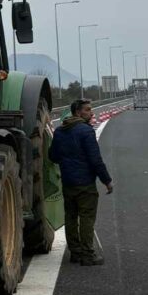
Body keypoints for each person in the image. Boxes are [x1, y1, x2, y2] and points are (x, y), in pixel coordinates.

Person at [50, 98, 113, 265]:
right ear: (78, 112)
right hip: (85, 183)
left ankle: (75, 253)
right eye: (87, 110)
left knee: (70, 217)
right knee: (86, 218)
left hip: (68, 182)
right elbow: (95, 160)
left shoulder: (59, 131)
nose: (91, 112)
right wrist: (107, 180)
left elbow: (53, 156)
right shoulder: (85, 131)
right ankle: (88, 254)